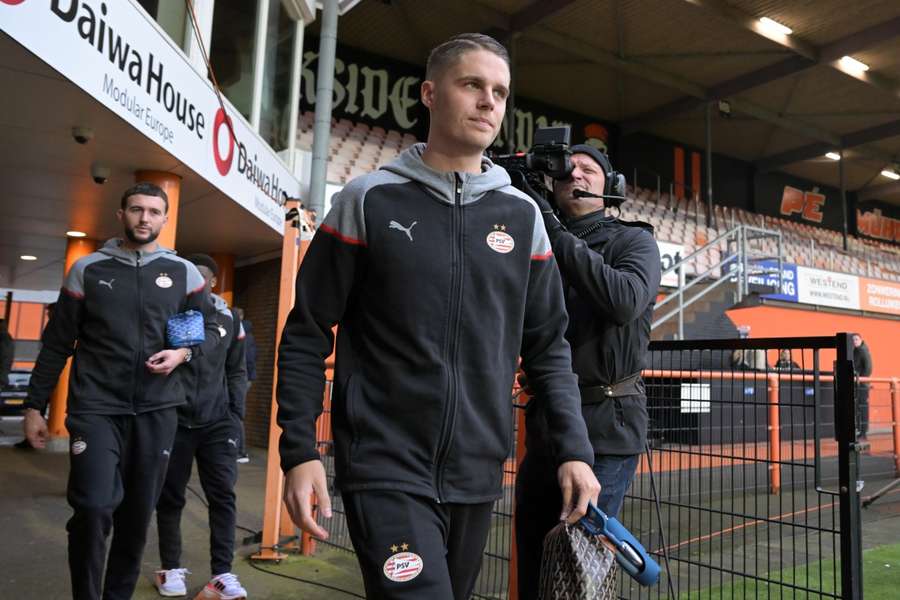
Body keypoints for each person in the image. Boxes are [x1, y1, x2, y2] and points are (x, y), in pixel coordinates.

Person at [276, 33, 599, 600]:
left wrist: (574, 449)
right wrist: (299, 451)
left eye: (499, 91)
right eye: (472, 84)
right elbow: (306, 331)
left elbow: (549, 347)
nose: (488, 102)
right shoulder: (368, 199)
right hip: (383, 462)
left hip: (477, 467)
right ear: (429, 93)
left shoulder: (523, 217)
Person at [22, 183, 222, 600]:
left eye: (153, 211)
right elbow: (58, 342)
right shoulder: (88, 270)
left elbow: (199, 335)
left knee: (135, 517)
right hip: (96, 408)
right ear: (121, 215)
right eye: (136, 209)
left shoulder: (182, 272)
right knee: (94, 508)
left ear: (165, 219)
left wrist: (180, 354)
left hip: (158, 409)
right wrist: (33, 406)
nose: (144, 218)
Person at [511, 145, 661, 599]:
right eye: (566, 169)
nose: (575, 173)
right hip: (547, 423)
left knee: (577, 569)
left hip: (607, 425)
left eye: (588, 169)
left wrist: (551, 227)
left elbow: (622, 300)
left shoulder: (635, 241)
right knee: (534, 561)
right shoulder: (533, 239)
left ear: (610, 187)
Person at [154, 254, 248, 599]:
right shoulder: (167, 314)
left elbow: (236, 371)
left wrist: (236, 417)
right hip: (174, 419)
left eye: (201, 279)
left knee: (222, 495)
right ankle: (170, 568)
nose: (193, 285)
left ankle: (222, 574)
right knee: (170, 496)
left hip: (217, 421)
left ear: (211, 283)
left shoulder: (228, 319)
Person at [233, 306, 256, 464]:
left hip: (241, 378)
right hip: (243, 377)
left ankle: (241, 451)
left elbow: (247, 359)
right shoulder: (247, 335)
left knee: (237, 412)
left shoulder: (244, 336)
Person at [852, 333, 872, 438]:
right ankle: (861, 431)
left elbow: (868, 367)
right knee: (859, 407)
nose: (854, 341)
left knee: (862, 407)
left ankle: (863, 432)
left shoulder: (862, 350)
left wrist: (861, 379)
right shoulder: (855, 350)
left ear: (861, 340)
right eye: (853, 340)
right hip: (857, 383)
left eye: (856, 339)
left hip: (862, 384)